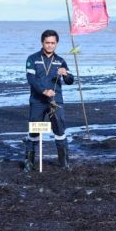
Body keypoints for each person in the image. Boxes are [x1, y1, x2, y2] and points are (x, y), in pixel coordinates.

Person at [24, 30, 75, 172]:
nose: (50, 45)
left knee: (59, 129)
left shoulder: (60, 61)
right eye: (47, 43)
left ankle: (64, 163)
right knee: (34, 131)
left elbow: (71, 81)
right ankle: (29, 163)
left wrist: (65, 74)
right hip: (37, 100)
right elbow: (31, 79)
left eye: (53, 43)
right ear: (42, 43)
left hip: (56, 100)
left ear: (56, 44)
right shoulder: (32, 59)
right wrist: (43, 91)